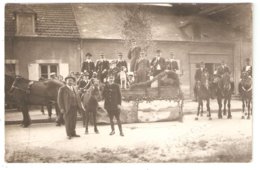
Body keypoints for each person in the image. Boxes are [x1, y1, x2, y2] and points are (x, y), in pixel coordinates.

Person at [57, 75, 83, 140]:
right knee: (68, 121)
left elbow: (78, 97)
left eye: (71, 80)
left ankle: (73, 133)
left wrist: (80, 106)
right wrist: (62, 108)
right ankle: (68, 134)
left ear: (73, 82)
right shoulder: (62, 89)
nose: (70, 82)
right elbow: (59, 100)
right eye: (68, 80)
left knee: (74, 121)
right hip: (67, 108)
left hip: (75, 107)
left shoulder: (75, 88)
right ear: (66, 81)